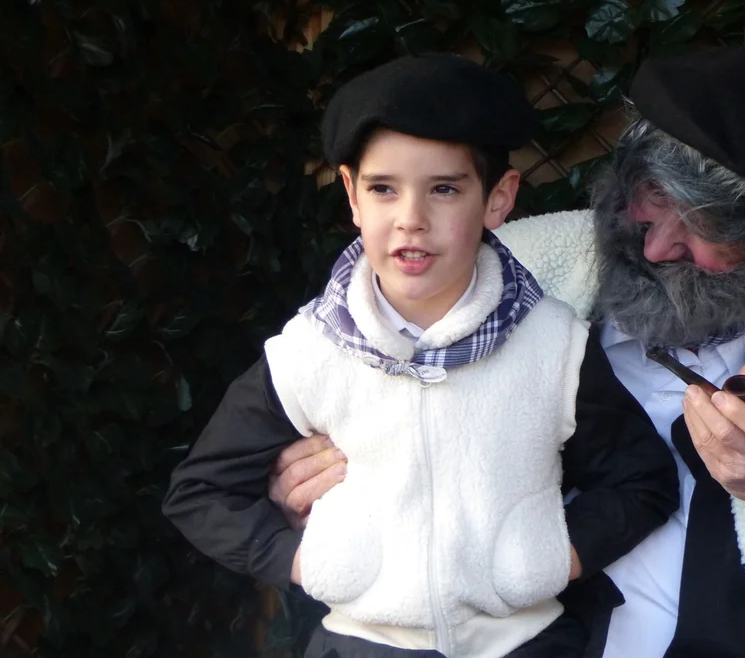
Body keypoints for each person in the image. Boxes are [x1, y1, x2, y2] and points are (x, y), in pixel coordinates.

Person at [270, 47, 745, 658]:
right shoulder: (506, 279)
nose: (654, 249)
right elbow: (359, 455)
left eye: (706, 235)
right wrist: (318, 487)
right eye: (650, 200)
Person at [162, 53, 679, 658]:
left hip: (527, 645)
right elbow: (201, 492)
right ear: (352, 195)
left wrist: (547, 560)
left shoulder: (554, 345)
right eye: (383, 189)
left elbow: (642, 481)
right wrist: (305, 562)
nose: (411, 219)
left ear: (498, 199)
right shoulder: (310, 352)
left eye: (444, 189)